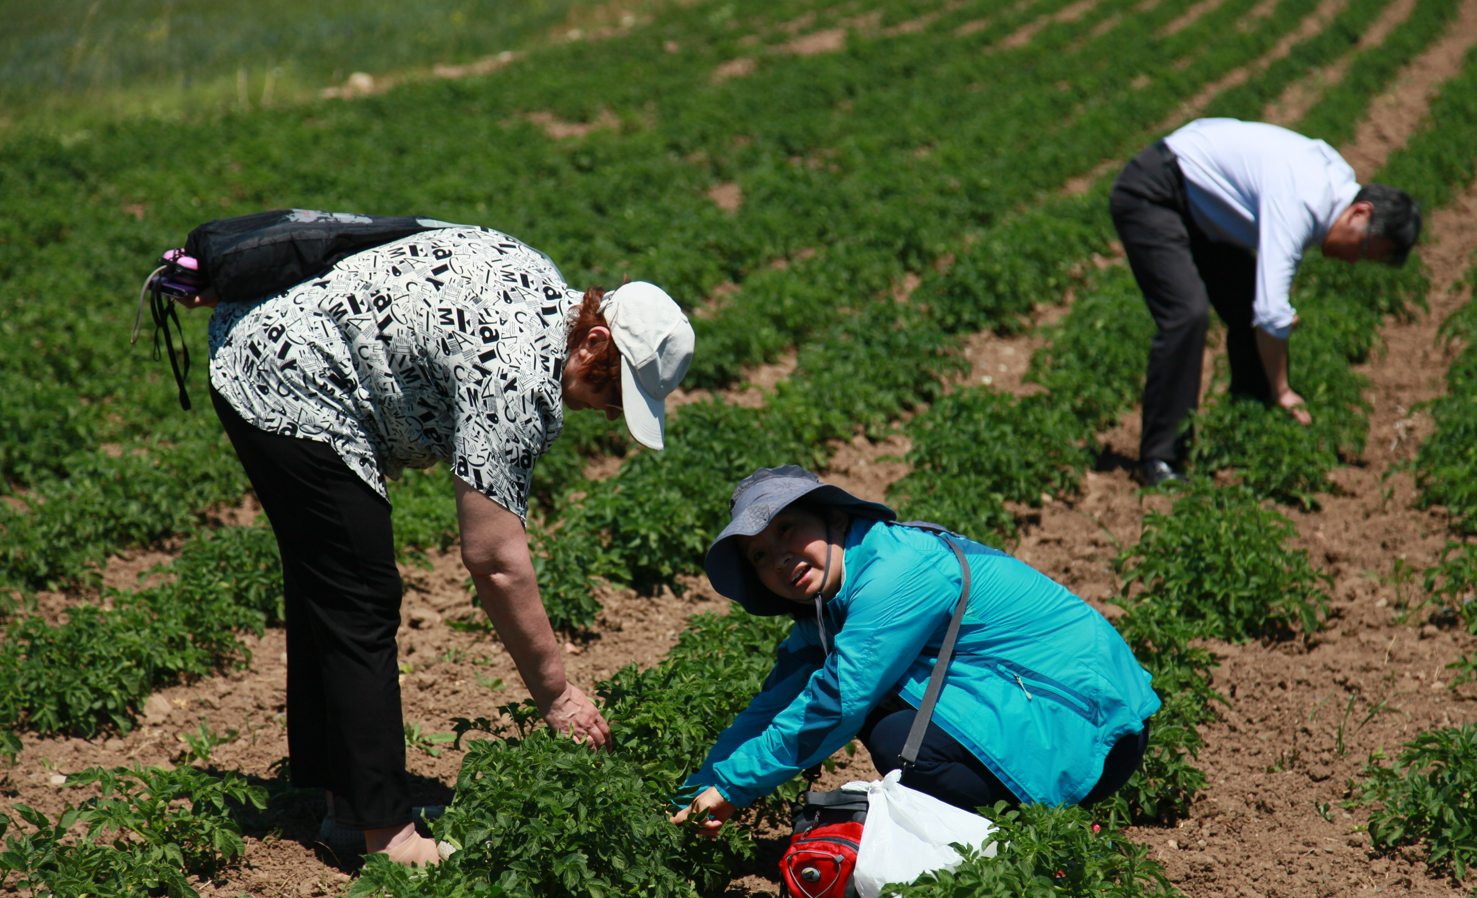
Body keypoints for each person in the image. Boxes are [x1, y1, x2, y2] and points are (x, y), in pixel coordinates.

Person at [179, 224, 694, 865]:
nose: (610, 413)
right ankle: (386, 836)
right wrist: (557, 693)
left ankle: (348, 808)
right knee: (359, 596)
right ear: (594, 342)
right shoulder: (519, 378)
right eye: (613, 392)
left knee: (335, 585)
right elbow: (495, 559)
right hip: (289, 379)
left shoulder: (538, 276)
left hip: (275, 336)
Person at [669, 466, 1161, 835]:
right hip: (1040, 715)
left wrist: (732, 789)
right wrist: (695, 792)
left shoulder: (896, 573)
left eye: (787, 529)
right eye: (758, 556)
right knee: (879, 715)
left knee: (893, 734)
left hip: (1090, 730)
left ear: (836, 519)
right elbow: (771, 706)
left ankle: (1033, 832)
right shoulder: (829, 610)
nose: (779, 556)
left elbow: (836, 703)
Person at [1109, 118, 1421, 487]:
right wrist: (1282, 389)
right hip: (1154, 193)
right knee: (1186, 315)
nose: (1354, 261)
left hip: (1200, 207)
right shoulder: (1302, 201)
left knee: (1243, 307)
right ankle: (1159, 460)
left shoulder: (1333, 184)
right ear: (1361, 212)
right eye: (1364, 249)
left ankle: (1244, 431)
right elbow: (1271, 312)